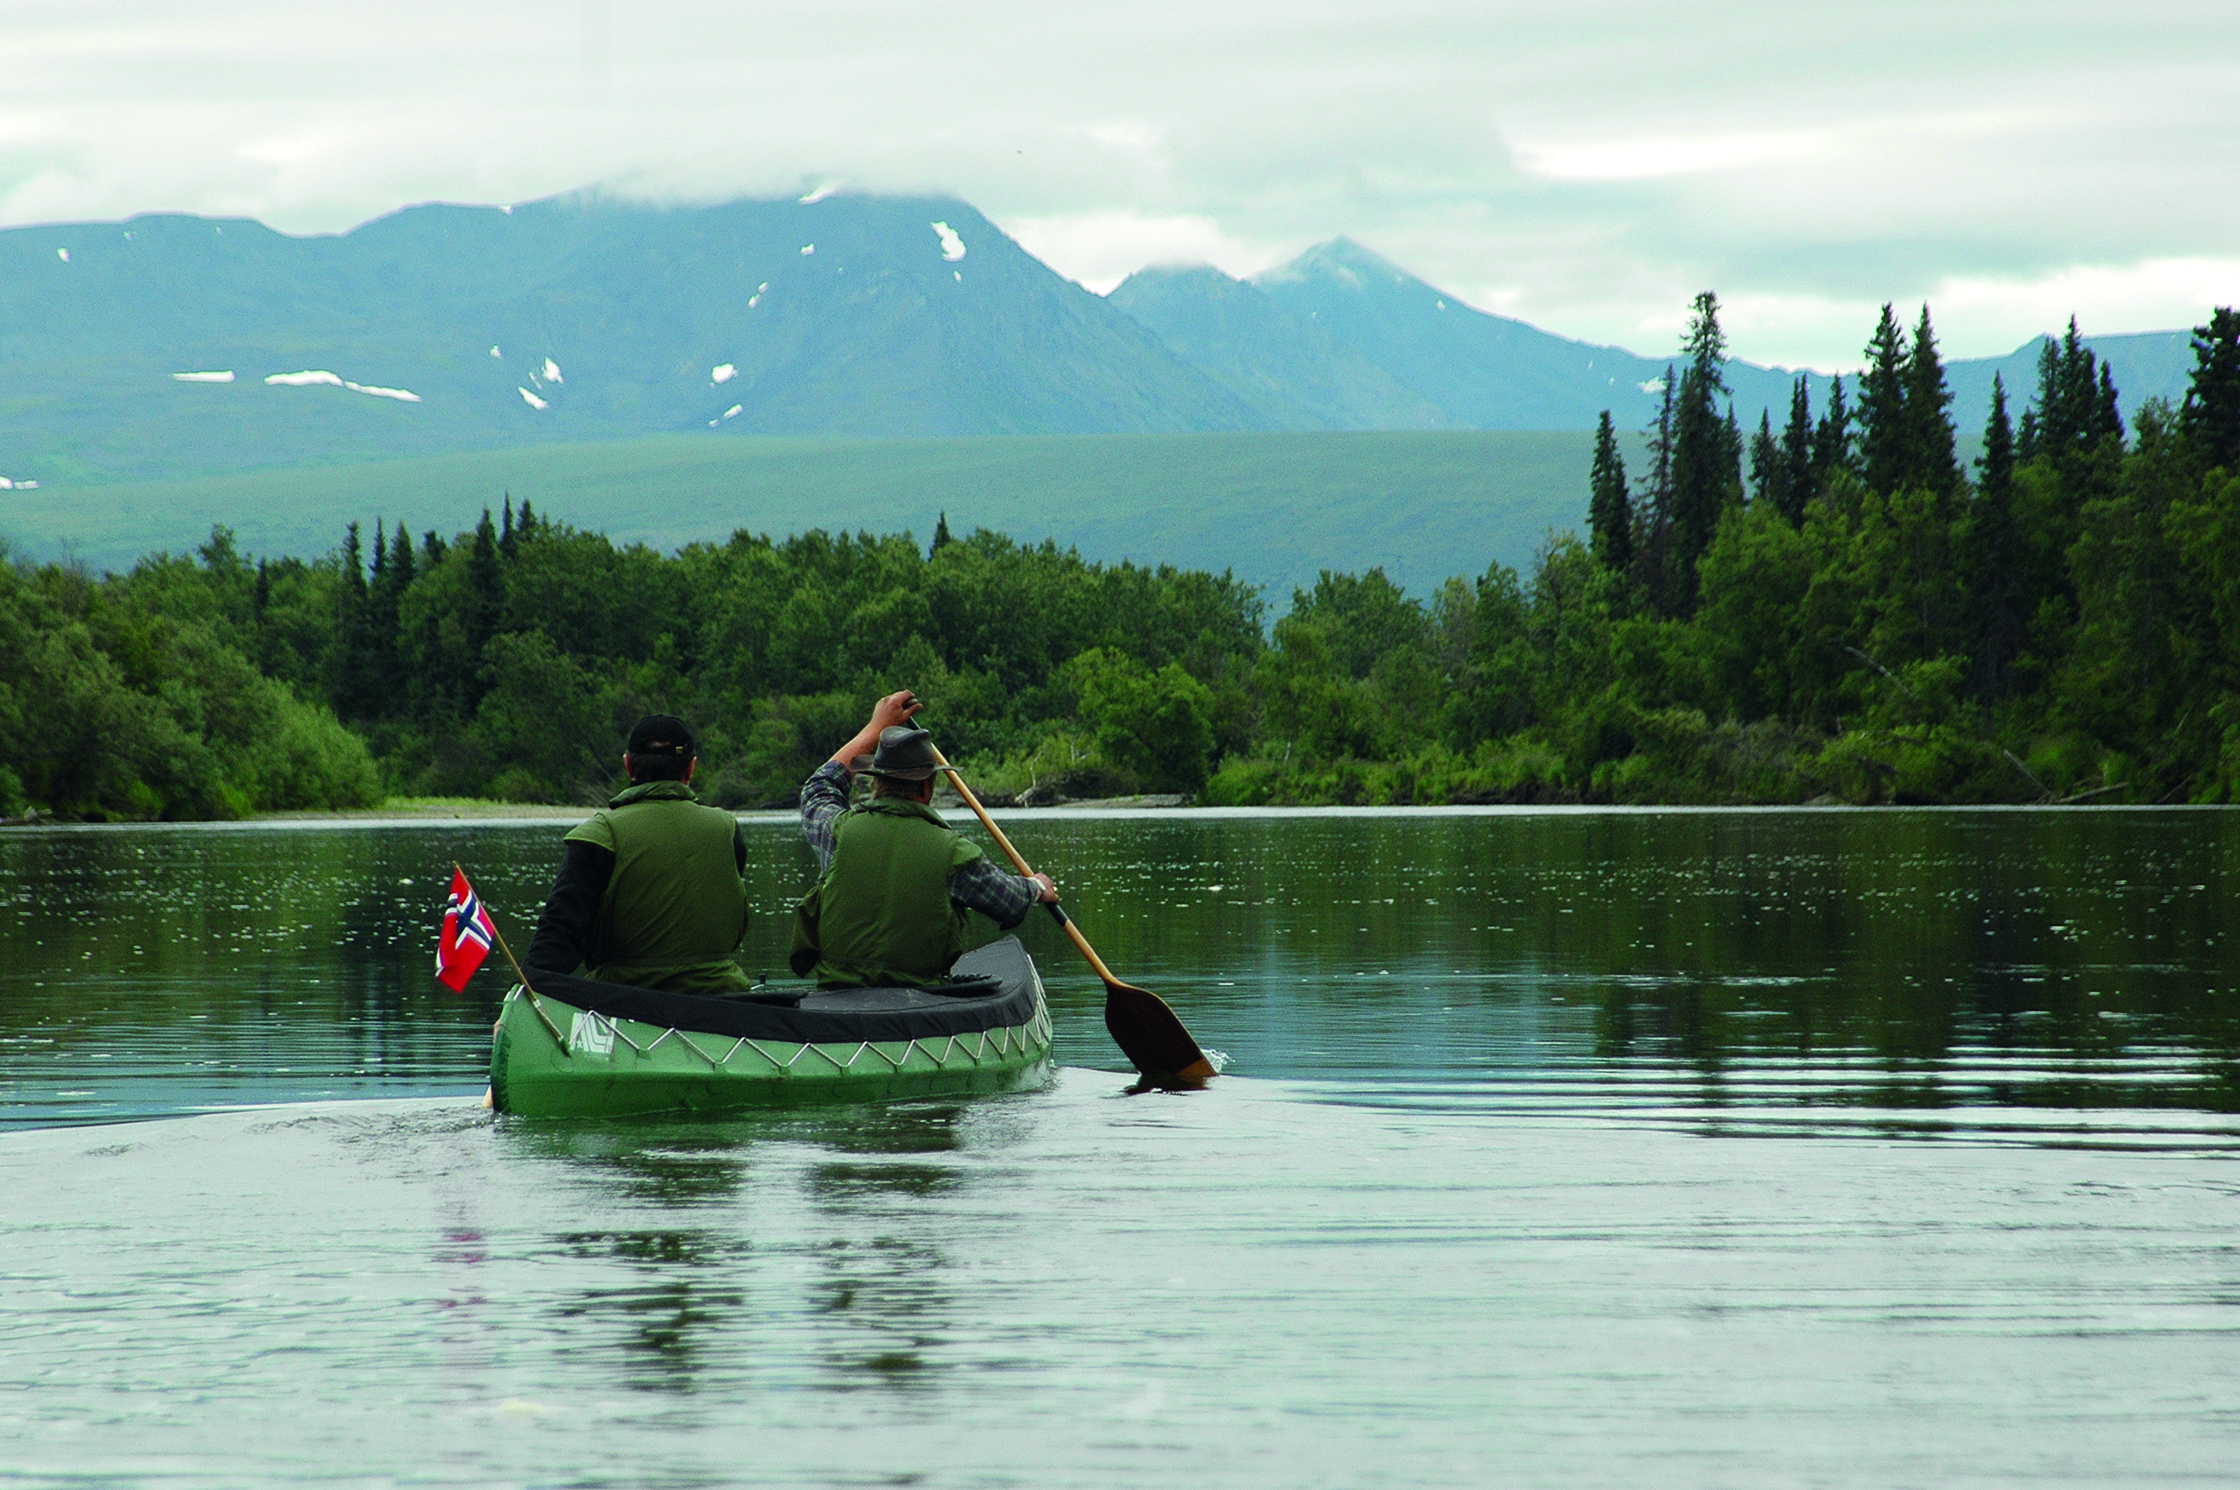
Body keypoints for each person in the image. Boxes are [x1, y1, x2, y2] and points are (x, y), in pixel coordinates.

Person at [792, 690, 1056, 987]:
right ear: (926, 789)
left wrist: (874, 729)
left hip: (838, 990)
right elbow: (1009, 902)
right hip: (919, 993)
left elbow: (819, 788)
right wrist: (1036, 887)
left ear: (876, 782)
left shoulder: (838, 832)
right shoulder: (954, 851)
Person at [526, 714, 752, 994]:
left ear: (628, 765)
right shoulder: (727, 829)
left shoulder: (599, 834)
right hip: (723, 993)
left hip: (621, 997)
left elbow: (560, 932)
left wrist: (526, 991)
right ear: (691, 767)